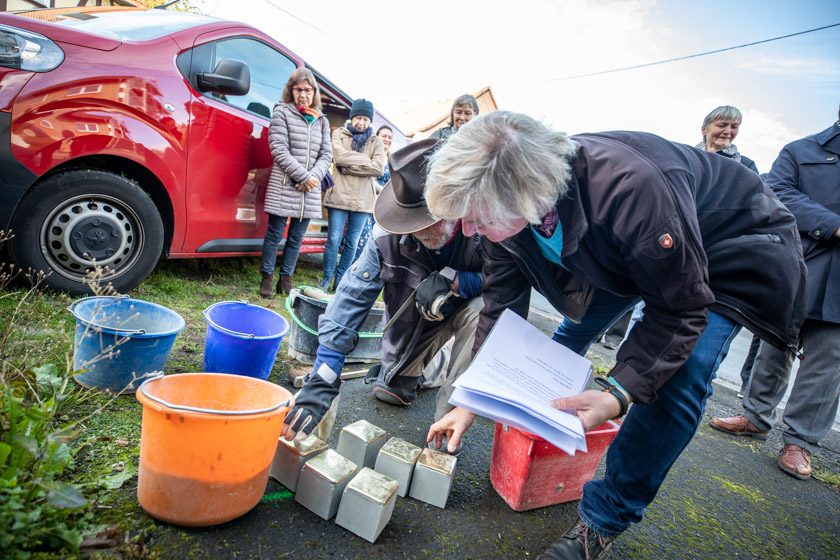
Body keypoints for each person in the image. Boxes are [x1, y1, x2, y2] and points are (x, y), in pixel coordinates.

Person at [423, 111, 806, 560]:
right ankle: (541, 426)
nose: (467, 230)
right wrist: (473, 397)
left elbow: (679, 310)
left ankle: (600, 524)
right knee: (567, 336)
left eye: (475, 217)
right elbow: (500, 309)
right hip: (626, 253)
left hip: (727, 252)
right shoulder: (504, 212)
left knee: (676, 376)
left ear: (524, 195)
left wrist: (621, 391)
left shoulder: (631, 189)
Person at [282, 138, 484, 442]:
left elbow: (510, 284)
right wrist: (324, 376)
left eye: (426, 220)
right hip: (419, 319)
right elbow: (350, 297)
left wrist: (459, 282)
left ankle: (453, 415)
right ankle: (438, 361)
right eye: (409, 221)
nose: (416, 231)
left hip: (469, 312)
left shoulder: (486, 226)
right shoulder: (385, 237)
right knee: (391, 391)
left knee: (483, 309)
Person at [710, 106, 840, 480]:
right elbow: (778, 191)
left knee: (827, 361)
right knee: (774, 343)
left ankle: (800, 442)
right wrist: (832, 225)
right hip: (799, 263)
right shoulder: (802, 150)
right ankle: (755, 416)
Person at [624, 105, 764, 394]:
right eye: (722, 125)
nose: (728, 131)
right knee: (647, 311)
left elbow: (749, 209)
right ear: (705, 128)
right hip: (672, 247)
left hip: (712, 253)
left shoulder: (746, 167)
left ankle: (662, 384)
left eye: (734, 127)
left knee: (691, 325)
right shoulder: (684, 155)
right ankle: (625, 376)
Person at [259, 68, 332, 298]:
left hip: (308, 191)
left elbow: (326, 154)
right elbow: (279, 149)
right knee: (274, 234)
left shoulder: (322, 121)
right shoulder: (281, 113)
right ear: (291, 90)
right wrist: (304, 177)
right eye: (298, 89)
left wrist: (313, 178)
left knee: (296, 238)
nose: (303, 94)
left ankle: (286, 279)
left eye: (307, 90)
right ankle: (267, 278)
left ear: (314, 92)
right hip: (284, 185)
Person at [319, 98, 386, 290]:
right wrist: (365, 161)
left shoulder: (376, 141)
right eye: (358, 117)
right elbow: (338, 158)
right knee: (333, 240)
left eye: (365, 119)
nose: (361, 122)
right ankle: (326, 279)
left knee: (352, 242)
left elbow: (378, 168)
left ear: (370, 121)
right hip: (338, 195)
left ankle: (340, 282)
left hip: (363, 200)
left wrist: (349, 167)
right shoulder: (339, 133)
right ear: (352, 117)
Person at [351, 125, 393, 263]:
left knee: (378, 240)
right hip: (367, 203)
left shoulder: (393, 160)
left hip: (384, 208)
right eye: (384, 136)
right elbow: (367, 178)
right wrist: (382, 191)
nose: (387, 139)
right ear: (377, 137)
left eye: (390, 137)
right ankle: (355, 268)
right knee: (362, 239)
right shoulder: (370, 155)